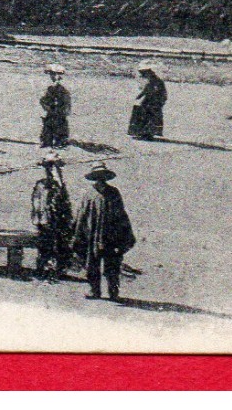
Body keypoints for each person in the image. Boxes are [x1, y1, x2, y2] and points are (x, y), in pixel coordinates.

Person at [71, 162, 135, 301]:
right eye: (98, 176)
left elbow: (121, 214)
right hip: (92, 235)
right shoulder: (88, 194)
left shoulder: (114, 192)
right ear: (94, 178)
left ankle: (113, 293)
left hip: (111, 236)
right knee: (92, 264)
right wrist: (77, 233)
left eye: (103, 176)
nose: (101, 179)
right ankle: (95, 291)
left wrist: (124, 234)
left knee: (112, 265)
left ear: (106, 177)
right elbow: (81, 215)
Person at [30, 151, 73, 279]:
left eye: (54, 167)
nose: (51, 169)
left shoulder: (59, 186)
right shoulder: (40, 185)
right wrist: (39, 218)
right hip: (44, 221)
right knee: (44, 245)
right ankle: (42, 268)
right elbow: (36, 203)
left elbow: (65, 203)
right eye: (49, 167)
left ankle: (57, 270)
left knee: (59, 245)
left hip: (58, 220)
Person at [127, 65, 167, 140]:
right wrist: (139, 96)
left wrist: (158, 102)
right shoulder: (152, 81)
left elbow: (158, 93)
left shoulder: (157, 81)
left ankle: (146, 133)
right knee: (140, 111)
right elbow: (145, 90)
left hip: (154, 102)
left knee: (146, 114)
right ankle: (141, 132)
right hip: (150, 101)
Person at [40, 65, 71, 148]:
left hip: (60, 111)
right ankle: (47, 141)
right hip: (52, 110)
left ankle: (60, 142)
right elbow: (45, 99)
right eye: (52, 74)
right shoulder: (51, 88)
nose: (53, 76)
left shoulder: (62, 89)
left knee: (59, 126)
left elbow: (66, 102)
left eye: (55, 74)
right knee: (48, 125)